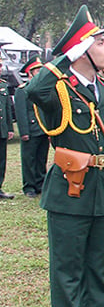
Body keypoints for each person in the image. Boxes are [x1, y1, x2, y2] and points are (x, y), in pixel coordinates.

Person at [27, 5, 104, 307]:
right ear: (81, 50)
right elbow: (35, 90)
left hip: (101, 190)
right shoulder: (59, 92)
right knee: (67, 276)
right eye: (99, 42)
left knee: (96, 274)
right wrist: (60, 59)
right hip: (70, 193)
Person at [15, 55, 47, 197]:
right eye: (36, 70)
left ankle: (41, 183)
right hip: (31, 129)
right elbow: (21, 112)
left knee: (41, 158)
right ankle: (29, 186)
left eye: (41, 69)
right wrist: (24, 132)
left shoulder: (42, 89)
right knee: (29, 159)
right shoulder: (23, 90)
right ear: (30, 73)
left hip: (43, 128)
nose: (39, 72)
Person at [0, 63, 13, 200]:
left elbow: (8, 109)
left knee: (1, 160)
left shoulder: (3, 86)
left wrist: (9, 128)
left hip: (2, 129)